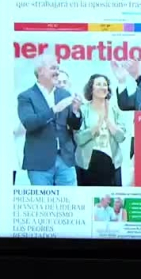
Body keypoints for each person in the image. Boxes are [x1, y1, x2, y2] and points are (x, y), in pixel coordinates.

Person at [17, 54, 82, 186]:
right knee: (43, 199)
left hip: (65, 160)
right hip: (39, 162)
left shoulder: (64, 94)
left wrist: (75, 111)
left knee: (69, 198)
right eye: (53, 68)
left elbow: (74, 126)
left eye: (57, 68)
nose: (57, 72)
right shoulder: (26, 96)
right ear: (40, 71)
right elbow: (29, 123)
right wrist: (54, 110)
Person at [75, 74, 127, 187]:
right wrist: (97, 125)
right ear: (91, 89)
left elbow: (121, 137)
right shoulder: (83, 110)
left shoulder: (114, 109)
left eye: (105, 85)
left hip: (112, 162)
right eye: (98, 84)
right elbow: (79, 138)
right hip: (88, 163)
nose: (102, 87)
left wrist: (108, 120)